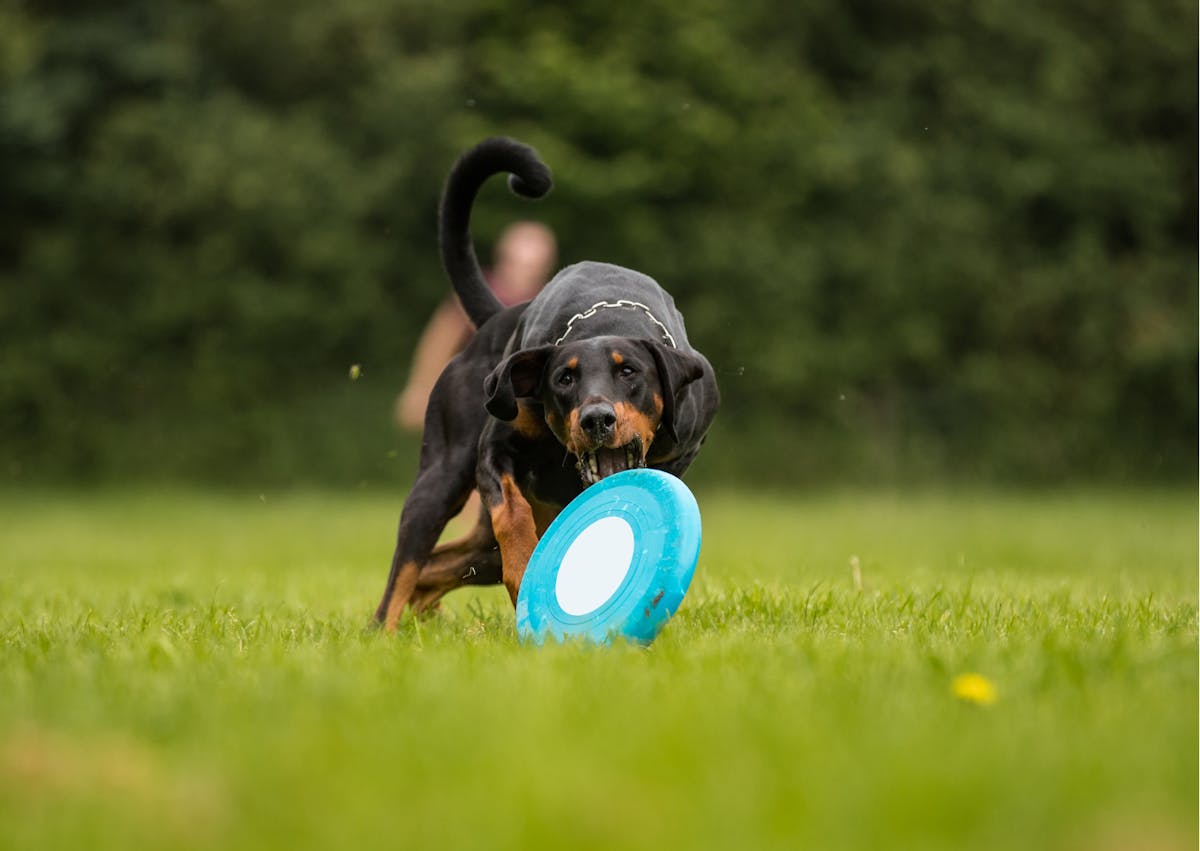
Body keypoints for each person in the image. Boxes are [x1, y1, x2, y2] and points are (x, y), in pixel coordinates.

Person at [395, 221, 557, 431]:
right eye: (517, 264)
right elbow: (440, 340)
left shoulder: (546, 302)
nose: (523, 275)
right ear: (502, 258)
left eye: (533, 267)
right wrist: (420, 389)